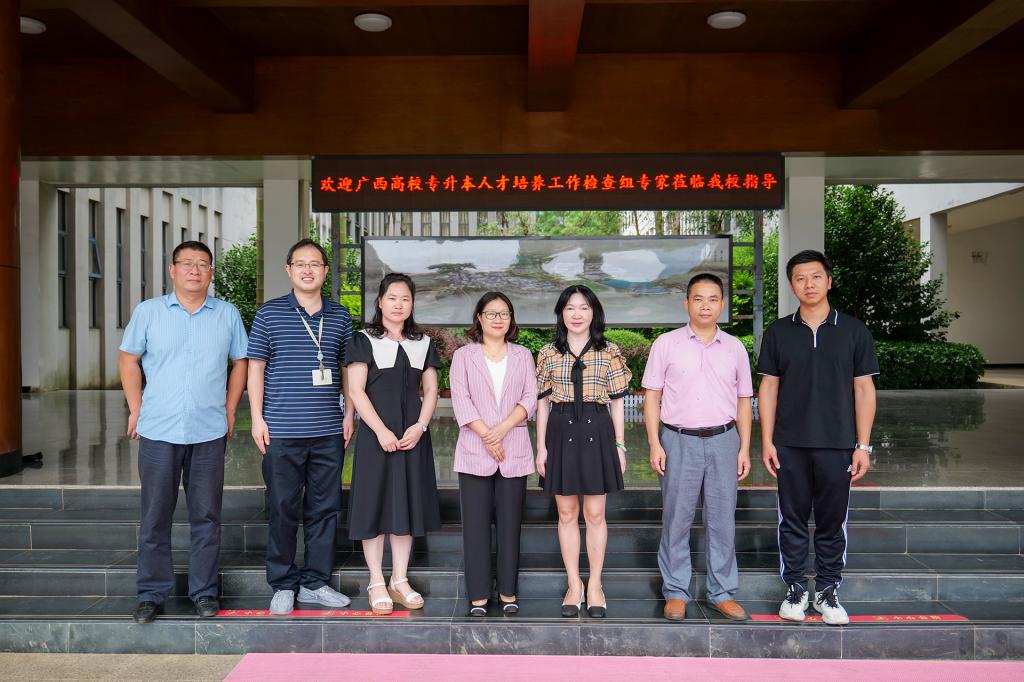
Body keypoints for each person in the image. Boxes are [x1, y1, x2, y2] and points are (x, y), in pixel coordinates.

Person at [119, 240, 248, 624]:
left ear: (211, 273)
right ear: (172, 270)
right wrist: (137, 408)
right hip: (159, 429)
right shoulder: (149, 312)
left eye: (202, 264)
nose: (195, 270)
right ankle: (150, 594)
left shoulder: (227, 314)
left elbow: (241, 362)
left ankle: (204, 592)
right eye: (187, 263)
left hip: (208, 430)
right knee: (155, 516)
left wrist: (230, 409)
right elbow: (128, 359)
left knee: (206, 516)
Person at [757, 249, 879, 626]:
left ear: (828, 281)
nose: (808, 284)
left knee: (831, 522)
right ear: (791, 285)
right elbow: (768, 388)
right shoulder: (778, 332)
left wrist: (863, 445)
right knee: (791, 520)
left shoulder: (854, 331)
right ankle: (795, 589)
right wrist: (767, 440)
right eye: (800, 278)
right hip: (789, 444)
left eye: (815, 277)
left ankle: (827, 590)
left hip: (838, 444)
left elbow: (864, 390)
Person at [247, 238, 355, 616]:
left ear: (325, 271)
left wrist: (349, 414)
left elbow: (347, 371)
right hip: (281, 431)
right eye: (300, 264)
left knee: (324, 509)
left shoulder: (340, 317)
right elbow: (256, 368)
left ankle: (314, 582)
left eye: (315, 264)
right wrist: (257, 418)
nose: (308, 270)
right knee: (282, 508)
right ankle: (282, 583)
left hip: (328, 431)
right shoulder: (269, 314)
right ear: (289, 270)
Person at [643, 273, 753, 622]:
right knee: (676, 518)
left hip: (724, 440)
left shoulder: (735, 347)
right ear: (686, 303)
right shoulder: (666, 344)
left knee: (722, 520)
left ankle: (722, 592)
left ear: (722, 304)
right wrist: (654, 443)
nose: (705, 305)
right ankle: (676, 591)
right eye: (698, 299)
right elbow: (652, 397)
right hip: (678, 440)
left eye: (713, 299)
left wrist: (744, 448)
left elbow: (744, 400)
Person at [345, 273, 442, 615]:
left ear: (412, 304)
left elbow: (431, 389)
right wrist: (381, 431)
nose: (399, 304)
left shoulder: (423, 342)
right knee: (373, 504)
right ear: (380, 302)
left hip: (412, 437)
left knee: (407, 505)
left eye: (405, 299)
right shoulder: (363, 340)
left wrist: (420, 426)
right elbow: (355, 390)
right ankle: (376, 580)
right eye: (392, 298)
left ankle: (399, 580)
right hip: (377, 437)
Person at [535, 285, 630, 619]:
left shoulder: (610, 351)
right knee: (566, 513)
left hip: (597, 429)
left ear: (594, 313)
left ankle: (595, 586)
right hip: (561, 430)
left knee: (595, 513)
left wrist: (620, 445)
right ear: (561, 313)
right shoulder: (548, 352)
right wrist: (541, 448)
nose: (577, 314)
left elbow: (617, 402)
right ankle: (574, 584)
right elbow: (542, 405)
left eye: (584, 308)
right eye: (570, 308)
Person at [449, 292, 537, 617]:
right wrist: (488, 435)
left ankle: (508, 591)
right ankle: (478, 595)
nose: (498, 319)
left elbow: (530, 397)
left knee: (510, 526)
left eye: (504, 313)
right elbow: (461, 399)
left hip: (513, 449)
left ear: (511, 319)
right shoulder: (464, 356)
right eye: (491, 313)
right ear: (479, 318)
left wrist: (501, 430)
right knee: (475, 527)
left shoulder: (523, 355)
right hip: (475, 450)